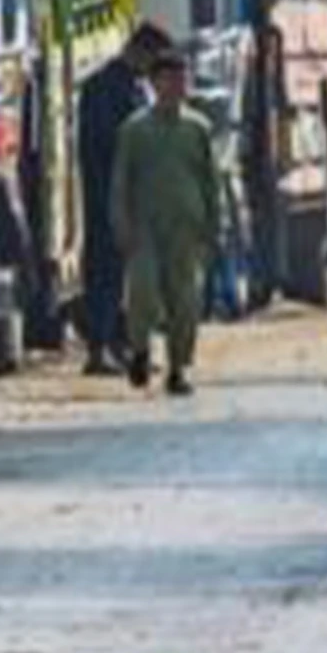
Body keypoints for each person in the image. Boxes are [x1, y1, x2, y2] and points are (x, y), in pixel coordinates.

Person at [110, 46, 218, 397]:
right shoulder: (135, 130)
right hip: (145, 227)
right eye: (167, 79)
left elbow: (210, 180)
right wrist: (121, 224)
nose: (175, 86)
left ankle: (179, 368)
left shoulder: (198, 129)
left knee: (184, 302)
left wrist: (214, 226)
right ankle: (139, 349)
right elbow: (121, 181)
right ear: (154, 84)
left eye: (181, 79)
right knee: (142, 294)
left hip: (186, 226)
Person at [75, 23, 169, 375]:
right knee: (106, 271)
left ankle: (121, 345)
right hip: (108, 197)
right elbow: (108, 146)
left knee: (124, 275)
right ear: (140, 51)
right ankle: (99, 349)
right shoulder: (106, 88)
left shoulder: (127, 87)